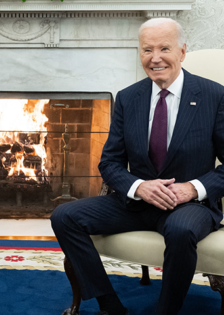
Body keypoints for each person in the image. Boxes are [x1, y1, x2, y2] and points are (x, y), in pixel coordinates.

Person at [51, 18, 224, 315]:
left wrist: (191, 189)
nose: (155, 58)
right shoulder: (129, 97)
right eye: (147, 50)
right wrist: (138, 187)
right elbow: (109, 162)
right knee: (65, 216)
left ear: (182, 51)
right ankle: (109, 305)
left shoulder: (213, 95)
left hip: (188, 206)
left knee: (182, 231)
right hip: (136, 202)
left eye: (164, 48)